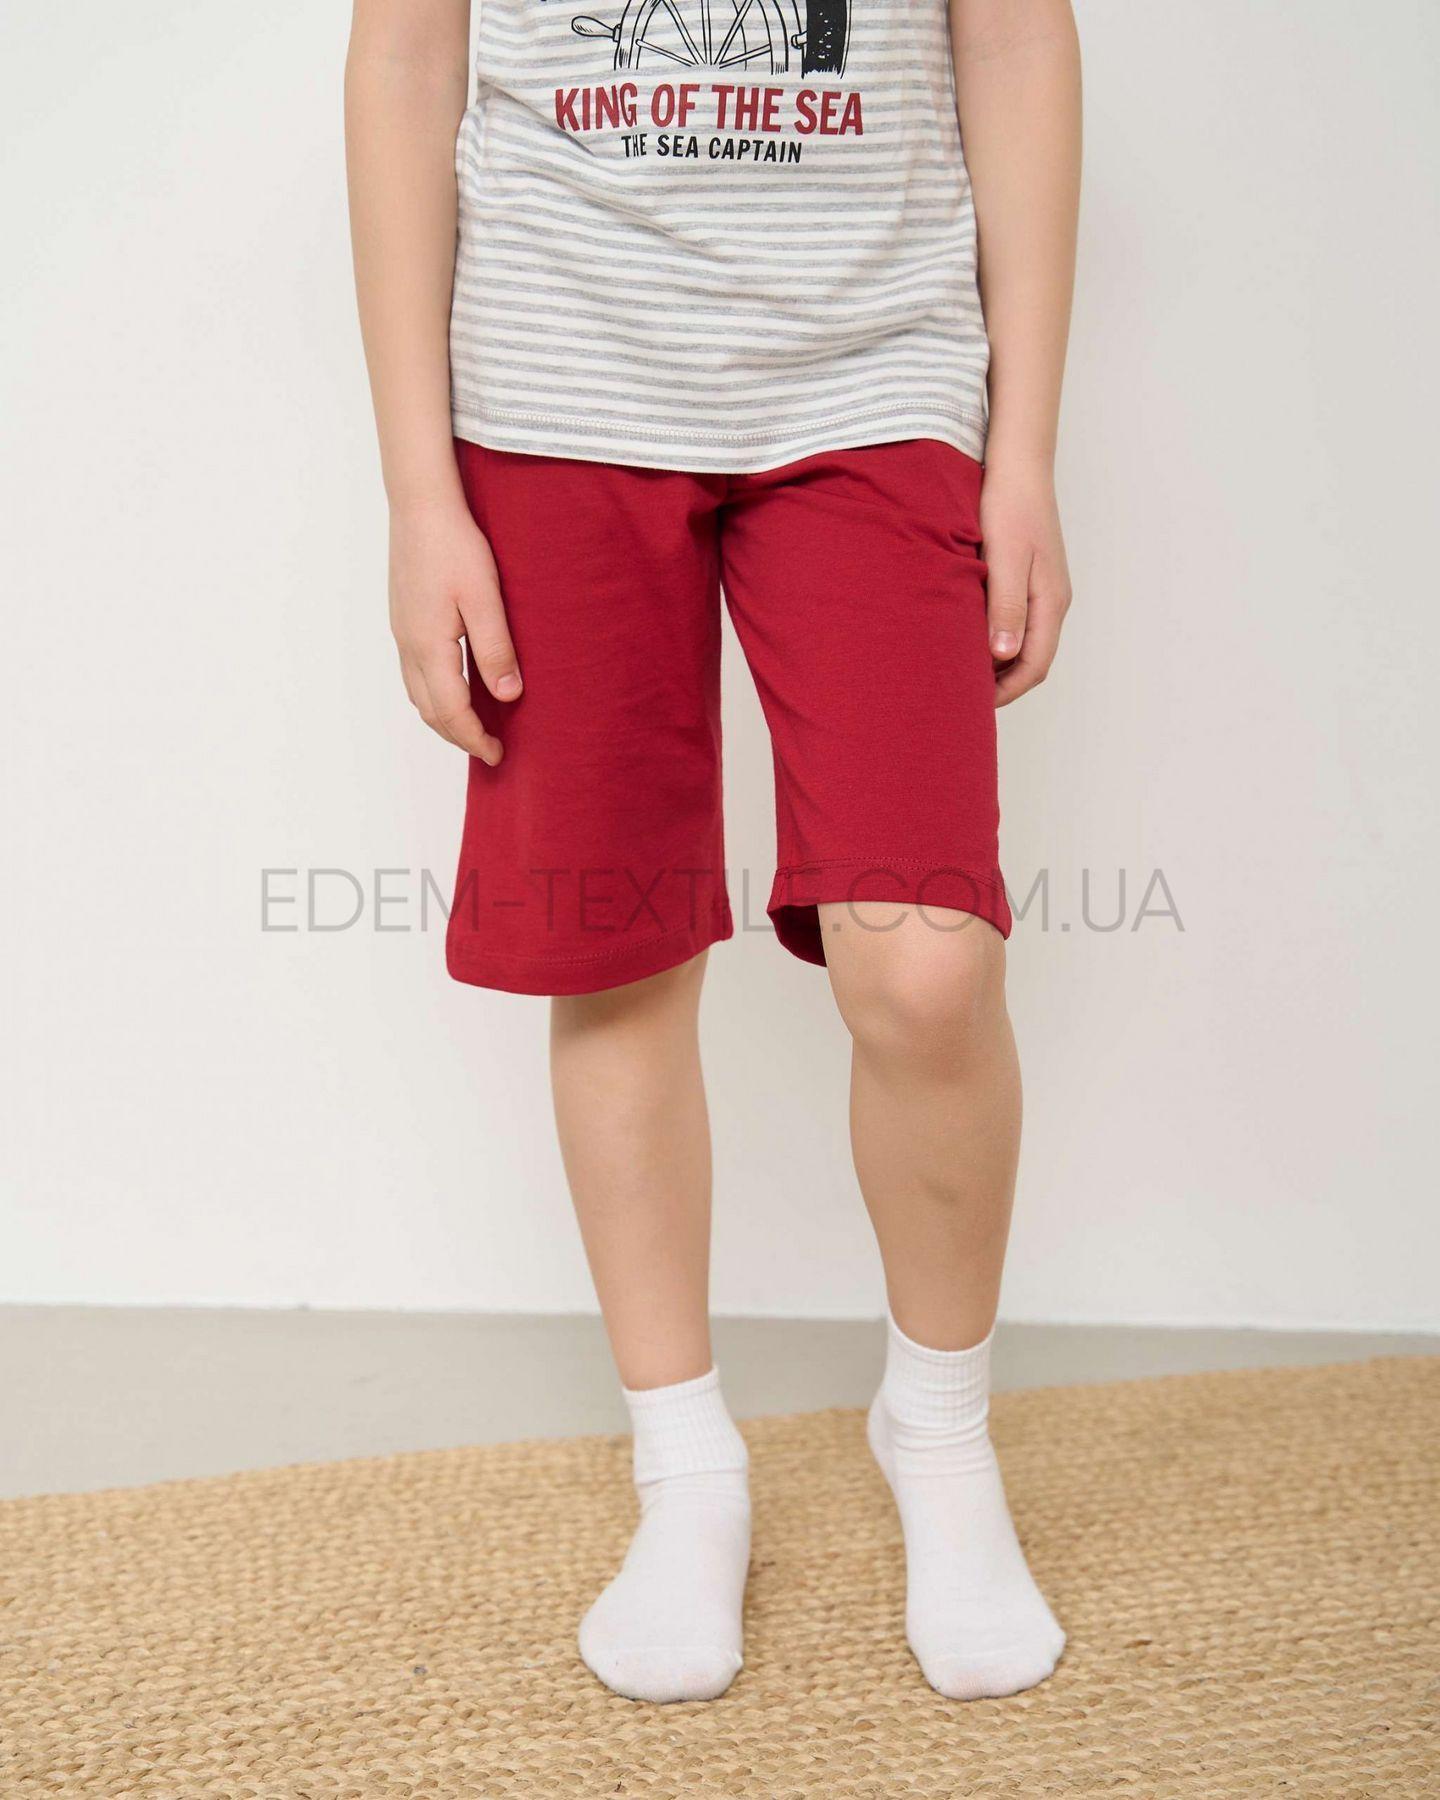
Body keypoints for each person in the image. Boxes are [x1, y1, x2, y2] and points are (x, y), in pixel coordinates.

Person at [346, 0, 1080, 1704]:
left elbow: (1017, 42)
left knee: (927, 967)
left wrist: (1027, 447)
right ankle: (686, 1468)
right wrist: (417, 496)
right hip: (556, 382)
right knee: (613, 947)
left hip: (875, 375)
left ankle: (940, 1432)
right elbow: (404, 59)